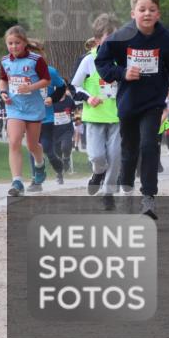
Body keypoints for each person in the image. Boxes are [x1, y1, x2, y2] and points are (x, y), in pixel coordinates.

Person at [96, 0, 169, 219]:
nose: (147, 14)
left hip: (153, 101)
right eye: (142, 9)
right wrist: (122, 72)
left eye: (152, 10)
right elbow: (102, 62)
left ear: (158, 14)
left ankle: (148, 199)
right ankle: (127, 191)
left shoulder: (166, 40)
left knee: (149, 145)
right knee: (129, 150)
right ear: (133, 13)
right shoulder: (120, 37)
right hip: (128, 101)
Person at [72, 14, 124, 210]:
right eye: (109, 37)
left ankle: (108, 192)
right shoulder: (88, 60)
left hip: (118, 116)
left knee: (115, 155)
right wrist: (88, 97)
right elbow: (74, 86)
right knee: (97, 156)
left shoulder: (123, 60)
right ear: (97, 40)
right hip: (94, 116)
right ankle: (98, 172)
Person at [0, 26, 51, 196]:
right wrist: (3, 93)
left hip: (33, 108)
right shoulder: (5, 61)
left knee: (32, 145)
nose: (13, 47)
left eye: (17, 43)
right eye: (10, 43)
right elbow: (3, 81)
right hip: (14, 107)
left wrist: (31, 86)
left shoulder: (36, 60)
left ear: (24, 43)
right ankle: (17, 182)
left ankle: (40, 164)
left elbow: (46, 80)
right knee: (13, 141)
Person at [26, 40, 68, 185]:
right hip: (30, 117)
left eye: (36, 53)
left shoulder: (50, 71)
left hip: (46, 118)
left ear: (42, 55)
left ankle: (59, 170)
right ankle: (35, 180)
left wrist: (52, 97)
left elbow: (62, 87)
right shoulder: (21, 72)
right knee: (32, 148)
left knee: (48, 151)